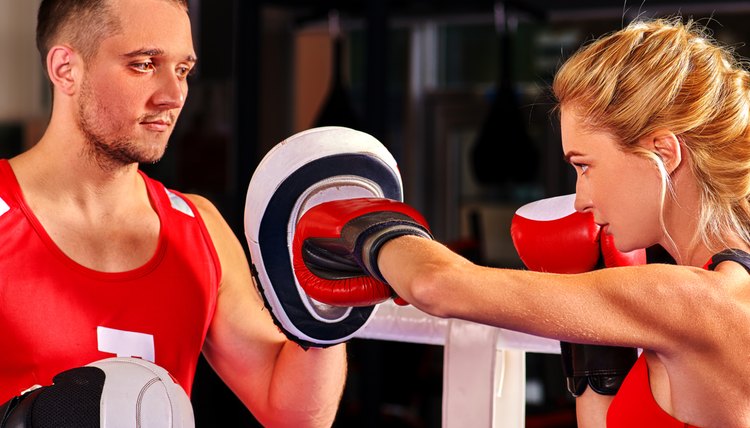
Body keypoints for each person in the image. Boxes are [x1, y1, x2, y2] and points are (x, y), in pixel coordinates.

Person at [295, 18, 750, 427]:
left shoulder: (693, 301)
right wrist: (594, 346)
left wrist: (367, 228)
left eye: (584, 166)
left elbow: (438, 285)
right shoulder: (694, 301)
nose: (580, 198)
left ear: (664, 153)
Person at [0, 0, 346, 426]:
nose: (174, 95)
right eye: (145, 64)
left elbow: (295, 415)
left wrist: (329, 303)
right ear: (66, 69)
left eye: (183, 70)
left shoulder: (199, 228)